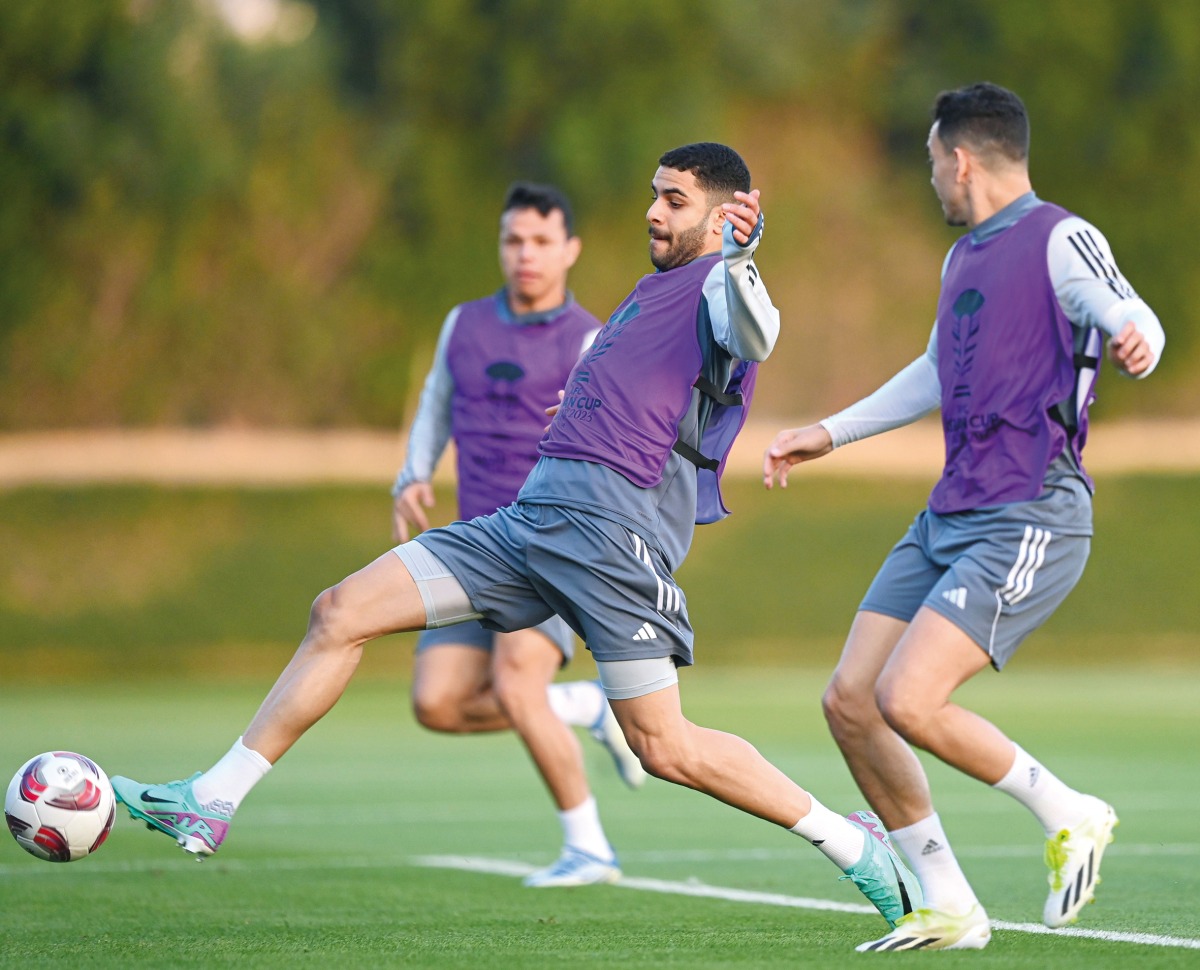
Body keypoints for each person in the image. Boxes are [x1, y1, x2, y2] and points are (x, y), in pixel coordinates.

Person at [111, 142, 922, 936]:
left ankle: (854, 845)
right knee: (338, 611)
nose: (652, 208)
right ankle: (213, 797)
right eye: (654, 192)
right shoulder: (650, 291)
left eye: (674, 199)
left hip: (613, 541)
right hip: (528, 524)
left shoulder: (720, 283)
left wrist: (742, 262)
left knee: (665, 748)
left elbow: (755, 333)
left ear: (723, 219)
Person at [764, 83, 1165, 952]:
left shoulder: (1061, 236)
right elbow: (937, 372)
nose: (933, 183)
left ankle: (1071, 812)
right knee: (851, 703)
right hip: (951, 511)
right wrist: (828, 433)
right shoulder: (961, 263)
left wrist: (1138, 336)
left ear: (961, 160)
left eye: (932, 166)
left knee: (910, 697)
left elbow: (1130, 312)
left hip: (1031, 513)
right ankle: (949, 903)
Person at [390, 180, 644, 888]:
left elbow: (617, 450)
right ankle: (587, 704)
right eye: (513, 240)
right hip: (471, 544)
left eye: (539, 241)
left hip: (549, 548)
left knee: (515, 684)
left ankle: (590, 849)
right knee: (436, 704)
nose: (525, 254)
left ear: (570, 250)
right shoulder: (462, 324)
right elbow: (436, 401)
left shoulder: (593, 338)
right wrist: (412, 473)